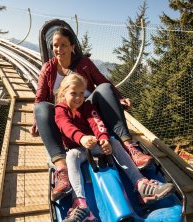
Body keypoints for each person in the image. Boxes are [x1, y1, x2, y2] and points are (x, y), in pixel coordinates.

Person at [30, 26, 153, 201]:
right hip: (64, 114)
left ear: (73, 46)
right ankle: (62, 171)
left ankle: (129, 147)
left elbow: (103, 82)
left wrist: (118, 98)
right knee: (41, 107)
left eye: (63, 45)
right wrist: (37, 122)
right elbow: (40, 97)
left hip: (89, 109)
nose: (59, 49)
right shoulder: (48, 68)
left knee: (104, 88)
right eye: (55, 45)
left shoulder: (84, 64)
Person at [54, 73, 175, 222]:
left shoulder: (86, 106)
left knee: (114, 142)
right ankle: (80, 204)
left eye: (81, 93)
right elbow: (66, 126)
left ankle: (140, 184)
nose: (79, 98)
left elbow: (96, 122)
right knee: (71, 157)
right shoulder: (60, 110)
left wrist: (103, 139)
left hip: (94, 144)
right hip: (78, 148)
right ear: (63, 92)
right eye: (73, 93)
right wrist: (82, 138)